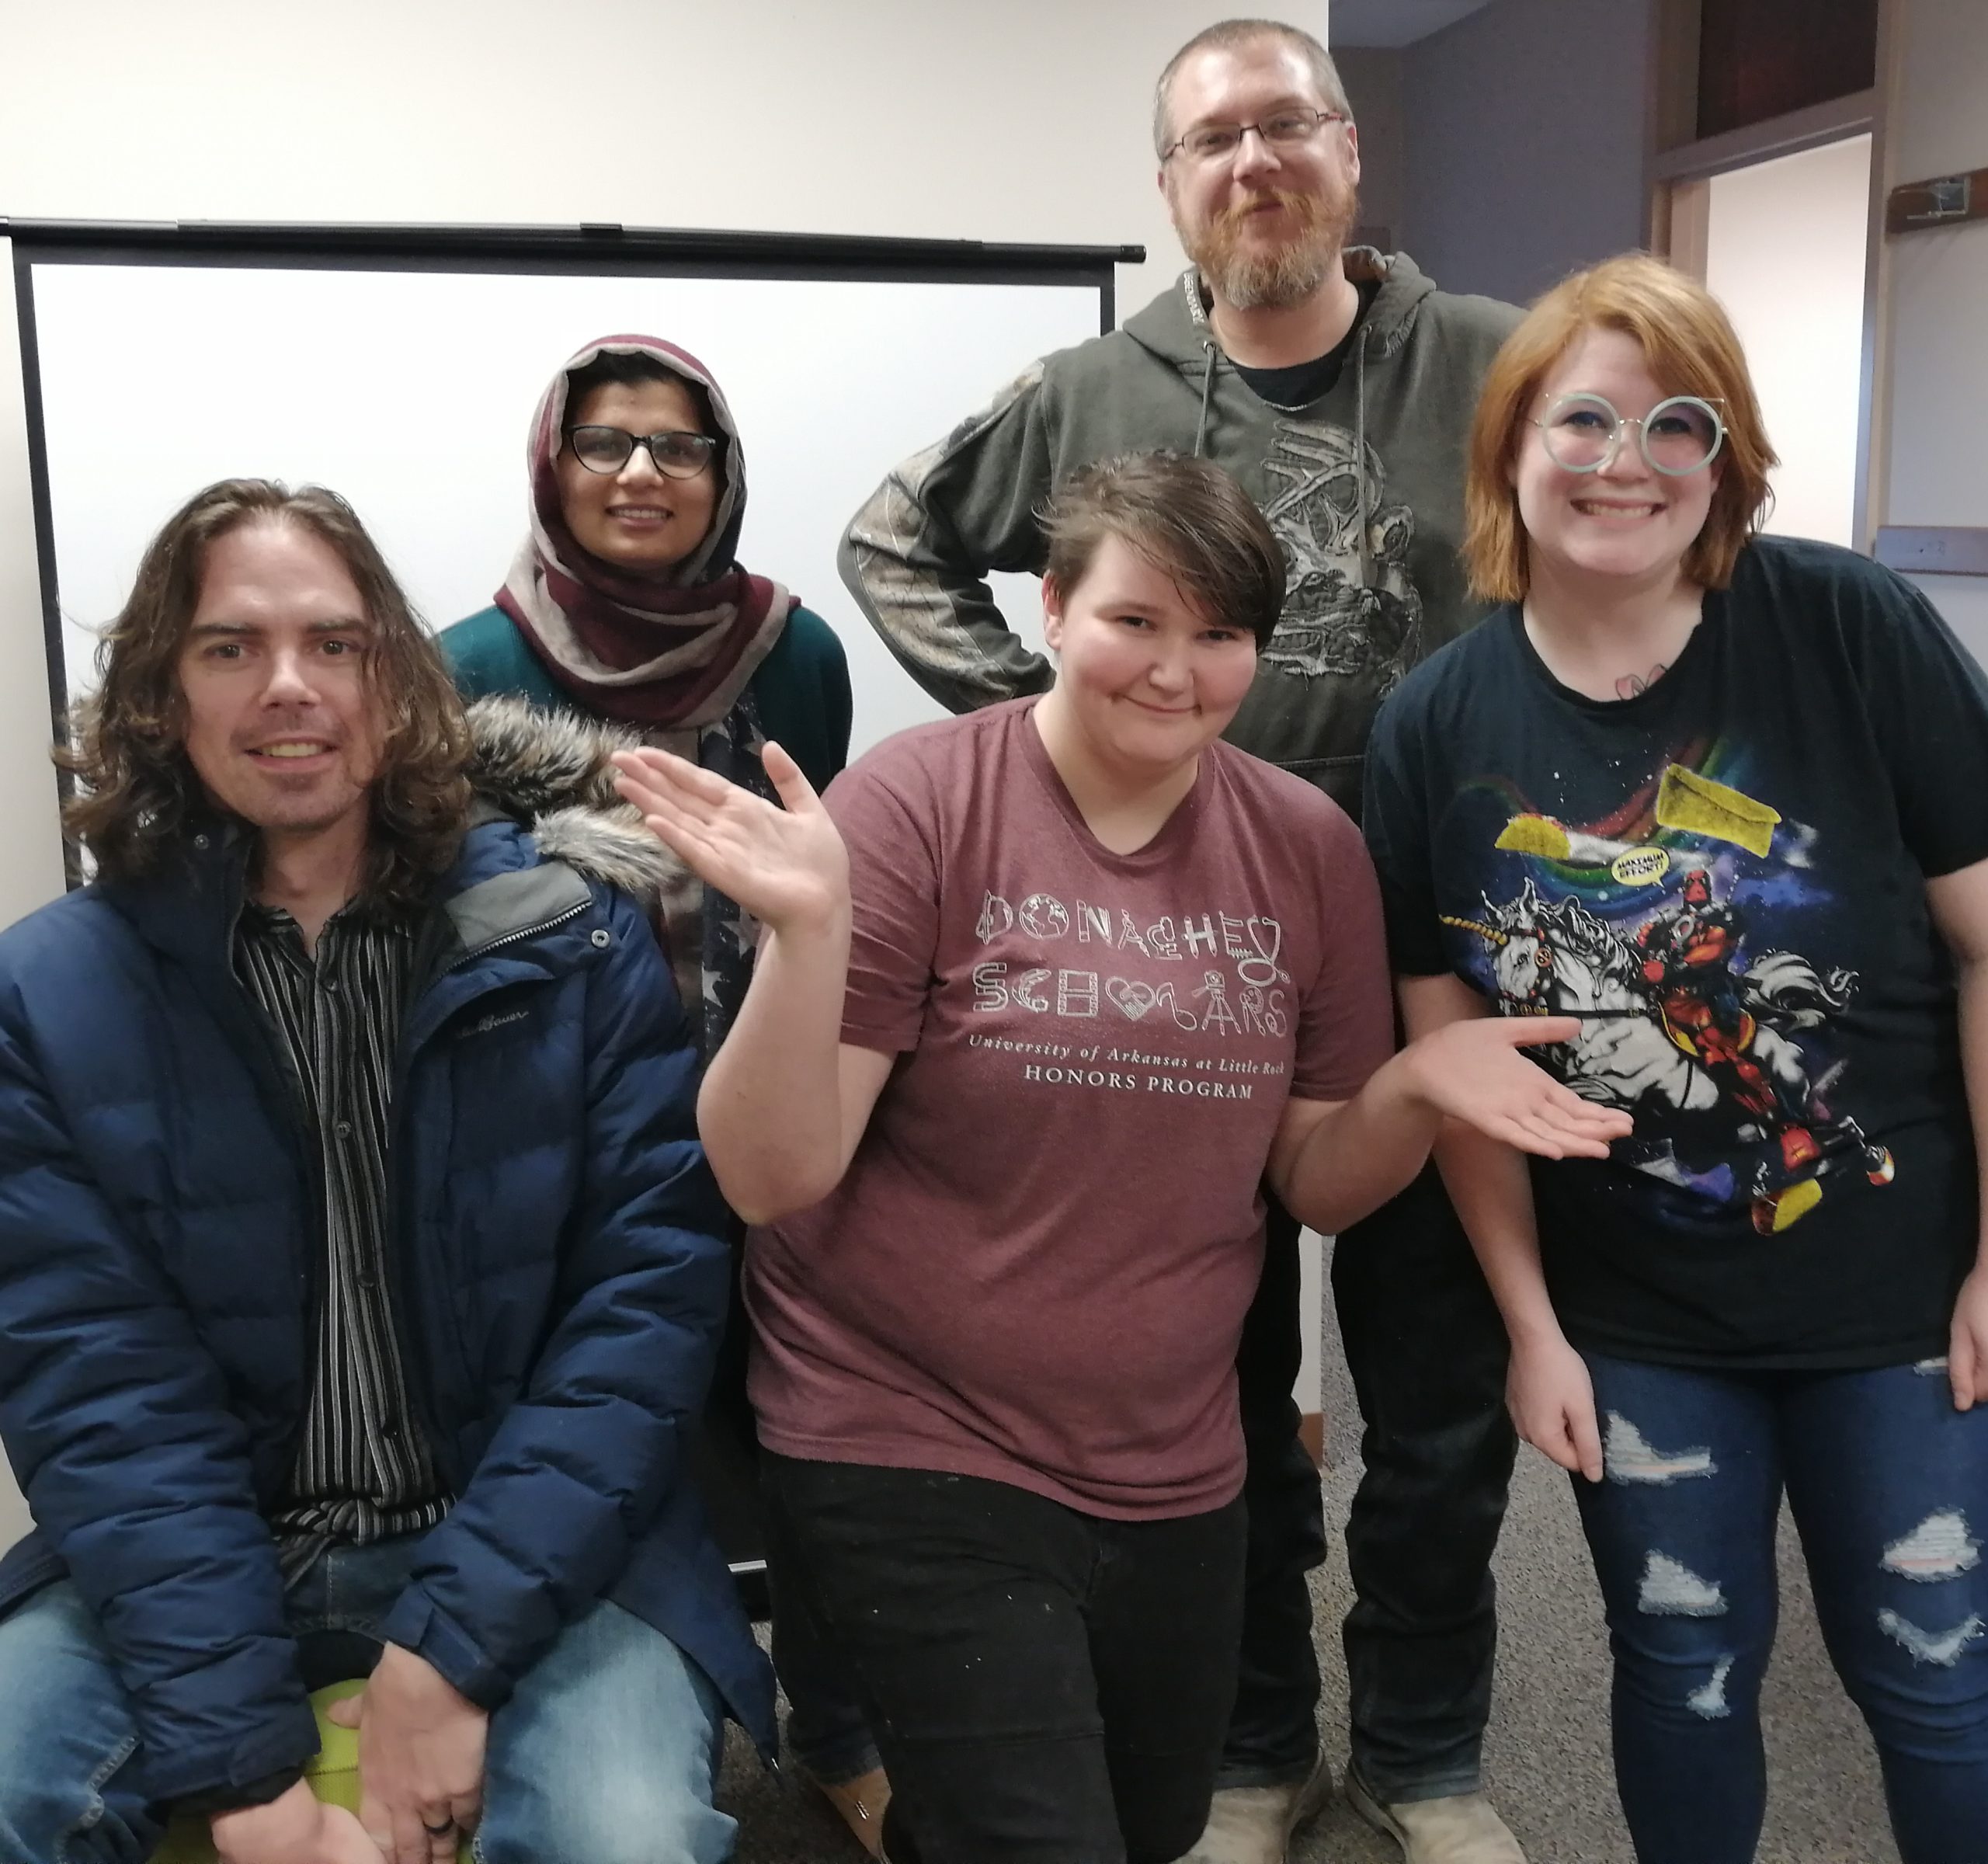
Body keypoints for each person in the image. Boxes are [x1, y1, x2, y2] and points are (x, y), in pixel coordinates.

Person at [617, 452, 1628, 1864]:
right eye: (1135, 621)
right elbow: (770, 1179)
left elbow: (1315, 1186)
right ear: (1049, 610)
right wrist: (807, 939)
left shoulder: (1304, 847)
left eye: (1220, 635)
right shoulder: (917, 807)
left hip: (1170, 1453)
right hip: (905, 1426)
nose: (1178, 671)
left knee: (1149, 1830)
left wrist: (1413, 1089)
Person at [838, 18, 1525, 1864]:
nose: (1251, 163)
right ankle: (1245, 1744)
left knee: (1436, 1391)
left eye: (1283, 124)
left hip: (1443, 941)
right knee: (1210, 1388)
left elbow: (1635, 551)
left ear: (1348, 153)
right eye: (1210, 140)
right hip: (1189, 955)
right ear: (1167, 190)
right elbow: (891, 538)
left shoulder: (1494, 364)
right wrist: (1042, 751)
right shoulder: (1087, 390)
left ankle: (1426, 1754)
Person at [0, 479, 773, 1864]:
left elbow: (641, 1324)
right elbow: (100, 1394)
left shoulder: (576, 944)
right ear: (162, 695)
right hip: (218, 1536)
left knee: (626, 1838)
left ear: (396, 682)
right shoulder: (50, 994)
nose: (287, 686)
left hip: (545, 1533)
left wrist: (447, 1659)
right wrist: (250, 1782)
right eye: (229, 647)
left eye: (334, 644)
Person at [1361, 254, 1988, 1864]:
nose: (1621, 460)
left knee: (1932, 1673)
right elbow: (1451, 1050)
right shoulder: (1437, 721)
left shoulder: (1843, 625)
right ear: (1509, 446)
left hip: (1901, 1307)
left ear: (1722, 464)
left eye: (1674, 423)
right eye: (1581, 417)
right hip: (1632, 1320)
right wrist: (1527, 1326)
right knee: (1682, 1671)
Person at [435, 334, 875, 1851]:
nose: (639, 472)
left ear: (723, 473)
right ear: (553, 464)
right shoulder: (464, 664)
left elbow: (807, 878)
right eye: (605, 442)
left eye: (677, 445)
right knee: (599, 1418)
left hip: (762, 1101)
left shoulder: (795, 654)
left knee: (807, 1421)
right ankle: (598, 1695)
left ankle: (836, 1722)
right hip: (557, 1131)